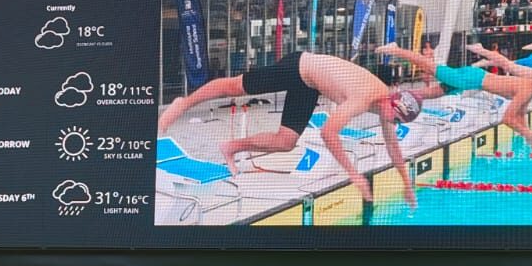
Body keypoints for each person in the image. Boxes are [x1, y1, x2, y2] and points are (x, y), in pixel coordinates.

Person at [158, 51, 420, 210]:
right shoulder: (366, 96)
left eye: (398, 123)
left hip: (310, 84)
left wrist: (407, 185)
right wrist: (355, 176)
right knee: (234, 87)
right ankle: (184, 103)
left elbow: (393, 146)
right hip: (298, 67)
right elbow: (328, 133)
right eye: (395, 119)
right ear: (394, 103)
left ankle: (231, 147)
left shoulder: (387, 105)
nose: (393, 123)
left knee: (286, 141)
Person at [377, 41, 532, 150]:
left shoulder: (528, 91)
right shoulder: (527, 89)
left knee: (432, 93)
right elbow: (507, 119)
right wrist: (528, 134)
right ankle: (395, 49)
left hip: (474, 79)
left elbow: (520, 114)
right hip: (472, 79)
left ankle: (390, 96)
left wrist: (526, 134)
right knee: (429, 66)